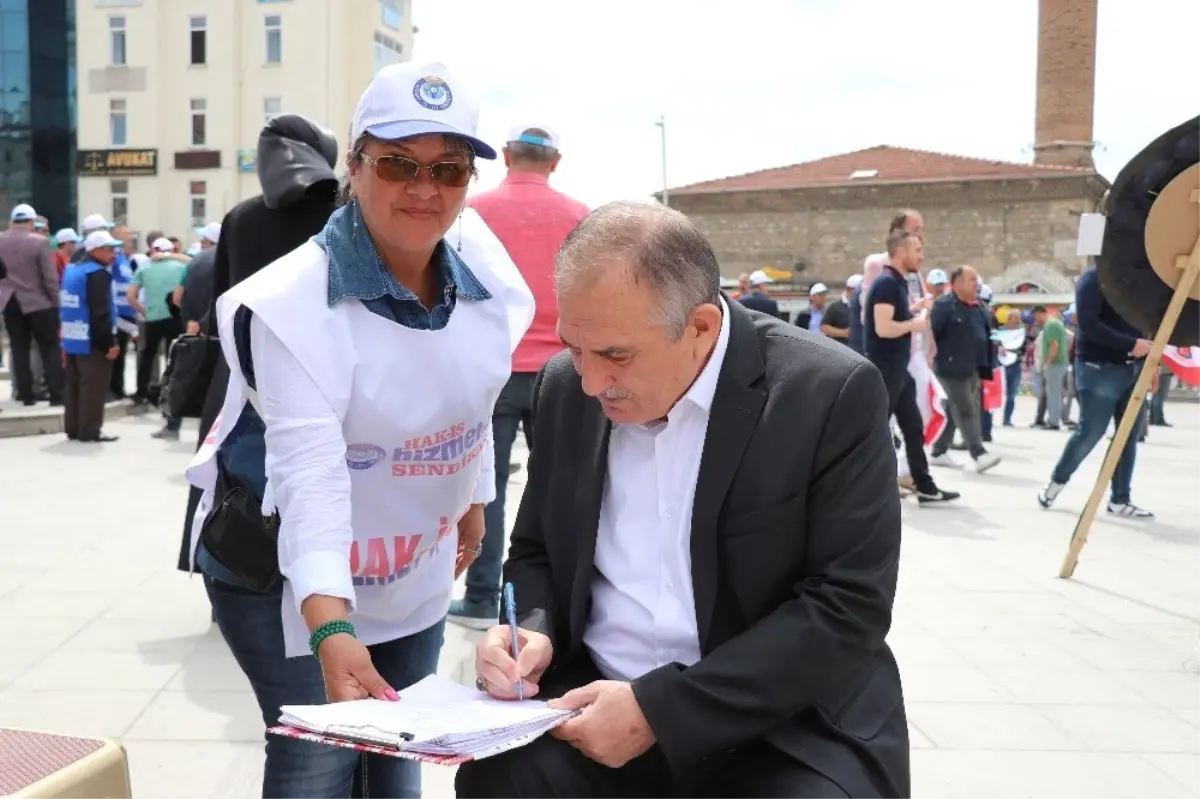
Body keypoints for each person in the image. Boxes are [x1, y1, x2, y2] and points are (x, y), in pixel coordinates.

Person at [456, 202, 908, 799]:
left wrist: (661, 712)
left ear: (699, 326)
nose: (592, 381)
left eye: (616, 355)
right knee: (498, 781)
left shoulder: (827, 393)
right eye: (575, 348)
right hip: (590, 703)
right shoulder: (565, 387)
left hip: (777, 722)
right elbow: (537, 550)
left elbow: (848, 604)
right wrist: (530, 633)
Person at [185, 61, 534, 798]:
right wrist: (329, 627)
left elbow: (475, 396)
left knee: (398, 747)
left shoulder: (484, 269)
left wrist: (470, 494)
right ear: (354, 164)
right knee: (321, 757)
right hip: (281, 572)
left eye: (449, 169)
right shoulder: (292, 304)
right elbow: (309, 476)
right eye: (398, 163)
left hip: (408, 567)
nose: (424, 188)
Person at [175, 112, 341, 576]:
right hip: (322, 372)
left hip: (239, 375)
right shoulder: (344, 214)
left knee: (236, 484)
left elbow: (220, 303)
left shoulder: (239, 218)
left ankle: (229, 575)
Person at [448, 123, 589, 628]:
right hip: (567, 370)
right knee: (566, 488)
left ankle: (484, 597)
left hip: (493, 369)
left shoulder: (474, 212)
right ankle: (556, 606)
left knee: (485, 489)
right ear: (554, 162)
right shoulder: (580, 217)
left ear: (506, 157)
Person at [1038, 266, 1154, 518]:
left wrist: (1148, 362)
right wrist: (1131, 344)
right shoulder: (1094, 279)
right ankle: (1056, 482)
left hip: (1133, 369)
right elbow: (1089, 324)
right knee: (1091, 431)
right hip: (1099, 368)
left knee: (1128, 435)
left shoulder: (1137, 281)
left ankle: (1120, 499)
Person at [864, 229, 958, 504]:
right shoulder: (886, 283)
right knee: (877, 429)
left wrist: (914, 309)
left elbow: (893, 319)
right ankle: (866, 487)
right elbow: (883, 328)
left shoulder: (896, 283)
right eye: (917, 250)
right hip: (886, 368)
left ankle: (925, 485)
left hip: (898, 368)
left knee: (913, 428)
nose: (921, 256)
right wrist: (914, 324)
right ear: (901, 251)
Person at [928, 266, 1000, 473]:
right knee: (966, 410)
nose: (976, 284)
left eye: (976, 280)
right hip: (950, 369)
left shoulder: (978, 307)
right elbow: (931, 335)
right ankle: (978, 454)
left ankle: (939, 450)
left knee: (955, 411)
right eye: (971, 280)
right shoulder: (944, 306)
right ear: (956, 283)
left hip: (974, 368)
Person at [60, 231, 123, 443]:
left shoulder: (72, 269)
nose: (113, 253)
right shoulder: (97, 274)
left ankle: (74, 428)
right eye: (108, 249)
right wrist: (109, 344)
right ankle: (90, 431)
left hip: (72, 337)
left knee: (75, 385)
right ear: (95, 250)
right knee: (94, 386)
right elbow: (100, 313)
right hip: (92, 339)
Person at [0, 203, 64, 407]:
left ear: (12, 221)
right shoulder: (40, 242)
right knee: (49, 347)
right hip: (38, 301)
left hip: (9, 300)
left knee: (19, 347)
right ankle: (56, 394)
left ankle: (25, 395)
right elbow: (49, 276)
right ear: (31, 221)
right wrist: (55, 301)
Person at [127, 237, 186, 407]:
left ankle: (141, 393)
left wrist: (144, 311)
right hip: (175, 317)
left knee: (147, 356)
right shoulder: (180, 266)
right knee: (173, 358)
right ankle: (171, 394)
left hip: (153, 319)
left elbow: (131, 296)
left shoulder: (144, 268)